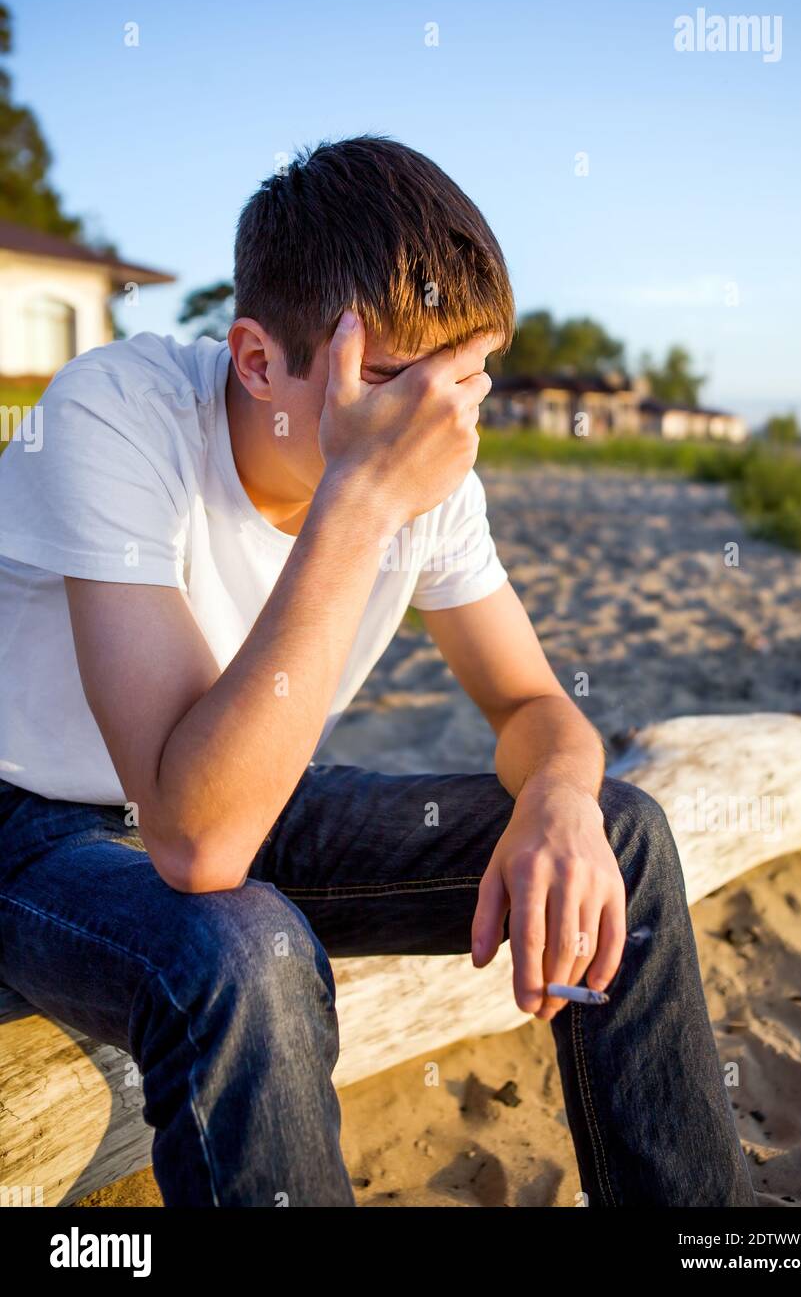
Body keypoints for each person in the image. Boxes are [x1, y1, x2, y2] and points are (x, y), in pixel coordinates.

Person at [0, 136, 755, 1208]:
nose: (443, 430)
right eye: (397, 387)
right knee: (239, 948)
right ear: (259, 362)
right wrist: (358, 501)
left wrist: (553, 795)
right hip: (32, 827)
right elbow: (195, 838)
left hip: (256, 790)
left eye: (466, 387)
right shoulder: (114, 412)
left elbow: (534, 704)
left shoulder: (431, 462)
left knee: (614, 833)